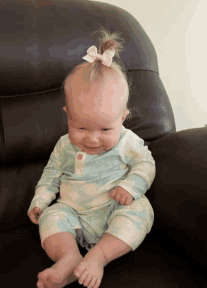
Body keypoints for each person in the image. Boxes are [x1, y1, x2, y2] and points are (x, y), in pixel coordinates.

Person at [28, 28, 156, 288]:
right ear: (68, 116)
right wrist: (41, 201)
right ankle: (69, 257)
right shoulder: (63, 146)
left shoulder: (126, 141)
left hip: (113, 213)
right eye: (82, 128)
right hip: (73, 216)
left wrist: (130, 186)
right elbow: (50, 176)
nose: (93, 139)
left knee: (141, 210)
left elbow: (146, 163)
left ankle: (99, 256)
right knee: (51, 217)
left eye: (105, 129)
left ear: (122, 118)